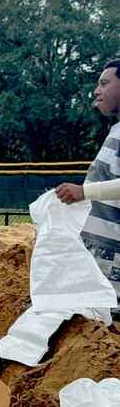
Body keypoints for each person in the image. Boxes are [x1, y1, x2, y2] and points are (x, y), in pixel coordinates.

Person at [54, 60, 120, 297]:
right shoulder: (116, 130)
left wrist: (85, 192)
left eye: (104, 83)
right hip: (99, 257)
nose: (96, 91)